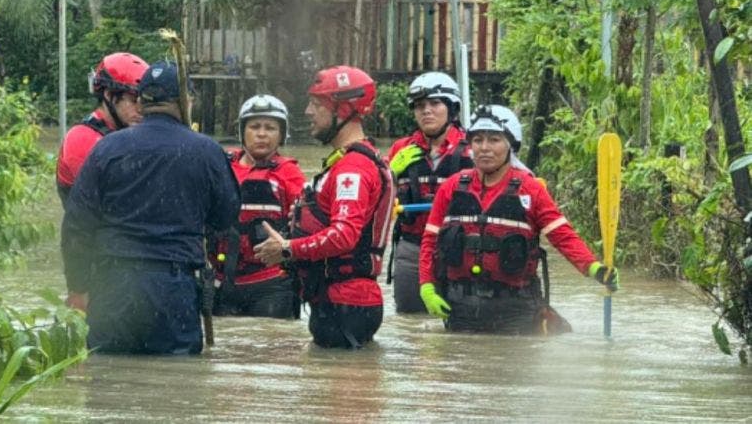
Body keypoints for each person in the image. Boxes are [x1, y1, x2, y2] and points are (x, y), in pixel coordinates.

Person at [61, 61, 240, 354]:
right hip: (174, 287)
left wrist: (78, 289)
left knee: (107, 379)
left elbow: (76, 226)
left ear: (142, 101)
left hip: (112, 286)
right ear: (186, 100)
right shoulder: (206, 151)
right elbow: (226, 216)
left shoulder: (107, 148)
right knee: (175, 386)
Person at [418, 104, 619, 335]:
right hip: (461, 307)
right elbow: (430, 241)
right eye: (478, 140)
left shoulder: (531, 189)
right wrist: (426, 286)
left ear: (510, 146)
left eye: (494, 140)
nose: (484, 148)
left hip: (516, 310)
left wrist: (594, 268)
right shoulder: (451, 187)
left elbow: (563, 237)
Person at [255, 65, 396, 349]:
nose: (308, 111)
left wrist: (287, 249)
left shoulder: (352, 169)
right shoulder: (349, 162)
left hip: (345, 304)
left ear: (343, 110)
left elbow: (344, 235)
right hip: (341, 301)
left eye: (316, 104)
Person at [209, 95, 305, 318]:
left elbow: (305, 223)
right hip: (221, 280)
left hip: (270, 283)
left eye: (270, 128)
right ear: (242, 131)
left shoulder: (289, 173)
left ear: (281, 134)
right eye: (255, 126)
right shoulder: (221, 166)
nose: (262, 134)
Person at [387, 71, 473, 314]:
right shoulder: (400, 149)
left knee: (462, 321)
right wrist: (389, 174)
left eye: (435, 103)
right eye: (420, 106)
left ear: (451, 108)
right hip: (411, 248)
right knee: (410, 322)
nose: (427, 111)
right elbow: (374, 200)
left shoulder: (477, 147)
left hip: (460, 248)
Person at [56, 52, 148, 209]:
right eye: (134, 100)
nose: (141, 110)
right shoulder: (82, 139)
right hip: (92, 231)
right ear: (109, 95)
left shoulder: (127, 133)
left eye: (145, 102)